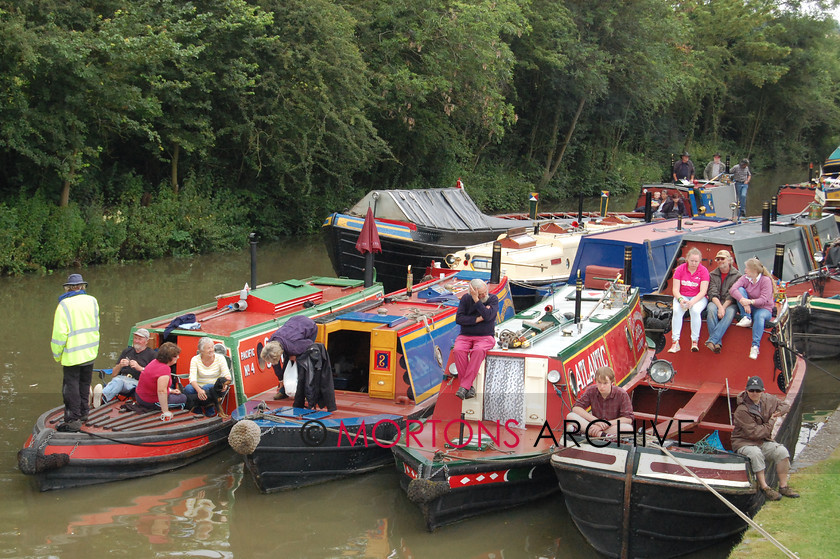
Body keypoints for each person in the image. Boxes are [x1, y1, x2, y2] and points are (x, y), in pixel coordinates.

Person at [731, 376, 799, 501]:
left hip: (762, 441)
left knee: (782, 452)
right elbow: (755, 433)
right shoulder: (741, 410)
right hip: (744, 442)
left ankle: (783, 487)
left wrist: (779, 412)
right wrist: (772, 421)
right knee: (756, 454)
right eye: (751, 390)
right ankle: (764, 487)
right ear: (746, 390)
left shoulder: (768, 399)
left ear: (762, 391)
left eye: (757, 390)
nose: (754, 393)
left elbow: (785, 405)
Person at [51, 273, 100, 433]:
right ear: (82, 287)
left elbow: (59, 335)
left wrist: (57, 354)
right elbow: (96, 325)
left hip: (72, 355)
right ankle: (84, 413)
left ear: (68, 288)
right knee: (85, 384)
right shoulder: (92, 301)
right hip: (90, 352)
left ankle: (73, 420)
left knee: (70, 388)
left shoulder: (64, 305)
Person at [453, 278, 498, 400]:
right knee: (458, 350)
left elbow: (488, 316)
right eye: (480, 294)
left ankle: (464, 386)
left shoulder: (493, 299)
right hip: (465, 336)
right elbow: (459, 319)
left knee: (478, 351)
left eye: (485, 292)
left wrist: (477, 300)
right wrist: (477, 319)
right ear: (472, 293)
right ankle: (468, 387)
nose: (484, 295)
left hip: (485, 337)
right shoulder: (466, 299)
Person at [260, 315, 318, 400]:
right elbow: (274, 363)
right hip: (294, 323)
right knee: (289, 361)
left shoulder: (293, 345)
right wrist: (280, 379)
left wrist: (295, 353)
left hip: (309, 328)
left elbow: (309, 343)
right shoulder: (272, 342)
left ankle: (304, 392)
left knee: (301, 362)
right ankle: (284, 390)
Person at [566, 366, 634, 437]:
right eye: (599, 382)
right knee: (570, 416)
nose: (601, 386)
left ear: (612, 382)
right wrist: (596, 421)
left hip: (611, 426)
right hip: (594, 424)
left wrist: (606, 424)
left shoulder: (621, 394)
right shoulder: (591, 390)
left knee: (628, 428)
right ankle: (602, 435)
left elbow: (628, 419)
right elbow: (576, 408)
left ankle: (588, 432)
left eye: (605, 383)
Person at [729, 257, 774, 360]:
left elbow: (764, 300)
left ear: (754, 270)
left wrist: (749, 302)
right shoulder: (745, 278)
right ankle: (747, 318)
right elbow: (733, 289)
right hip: (749, 308)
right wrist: (743, 302)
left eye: (747, 268)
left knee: (759, 316)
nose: (745, 270)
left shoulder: (765, 280)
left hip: (764, 308)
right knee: (740, 290)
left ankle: (755, 346)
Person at [98, 328, 157, 406]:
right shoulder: (126, 351)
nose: (136, 341)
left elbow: (154, 376)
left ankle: (101, 398)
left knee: (118, 381)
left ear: (146, 341)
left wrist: (139, 367)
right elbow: (114, 374)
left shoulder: (152, 355)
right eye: (135, 338)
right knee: (117, 380)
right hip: (120, 379)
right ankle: (99, 397)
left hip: (137, 382)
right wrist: (120, 365)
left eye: (140, 339)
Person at [668, 247, 710, 353]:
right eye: (692, 261)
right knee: (677, 311)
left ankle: (694, 340)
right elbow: (675, 289)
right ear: (687, 259)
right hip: (683, 296)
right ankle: (675, 342)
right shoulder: (680, 270)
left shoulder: (704, 271)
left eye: (696, 261)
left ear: (700, 261)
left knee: (695, 311)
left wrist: (692, 302)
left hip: (698, 298)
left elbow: (703, 291)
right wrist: (681, 300)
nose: (694, 263)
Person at [134, 342, 186, 419]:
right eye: (175, 356)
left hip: (139, 396)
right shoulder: (164, 369)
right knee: (183, 398)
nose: (178, 357)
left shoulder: (154, 362)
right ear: (169, 358)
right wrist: (165, 411)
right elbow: (161, 391)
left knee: (174, 394)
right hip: (149, 401)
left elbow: (153, 383)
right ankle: (180, 419)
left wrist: (170, 391)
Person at [705, 250, 742, 353]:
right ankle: (717, 343)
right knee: (711, 309)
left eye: (722, 259)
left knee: (729, 313)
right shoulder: (712, 275)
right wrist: (720, 307)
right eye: (718, 259)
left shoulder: (737, 275)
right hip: (716, 301)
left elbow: (732, 295)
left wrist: (723, 308)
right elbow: (712, 292)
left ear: (729, 260)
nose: (720, 261)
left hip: (730, 303)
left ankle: (712, 340)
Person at [185, 337, 232, 415]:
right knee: (188, 389)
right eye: (208, 348)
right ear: (201, 351)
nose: (211, 350)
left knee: (208, 388)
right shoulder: (195, 360)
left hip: (215, 388)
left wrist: (225, 385)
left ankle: (210, 413)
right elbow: (192, 378)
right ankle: (198, 413)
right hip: (199, 386)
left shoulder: (220, 358)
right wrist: (199, 390)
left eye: (212, 347)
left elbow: (227, 375)